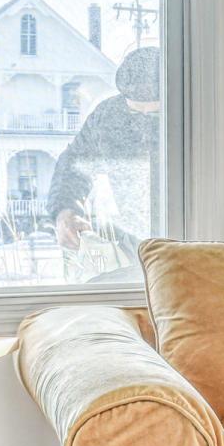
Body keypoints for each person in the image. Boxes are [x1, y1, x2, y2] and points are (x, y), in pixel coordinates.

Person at [50, 47, 164, 281]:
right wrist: (66, 211)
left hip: (194, 247)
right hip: (136, 248)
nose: (144, 122)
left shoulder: (200, 112)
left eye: (154, 114)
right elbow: (74, 163)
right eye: (135, 112)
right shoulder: (109, 116)